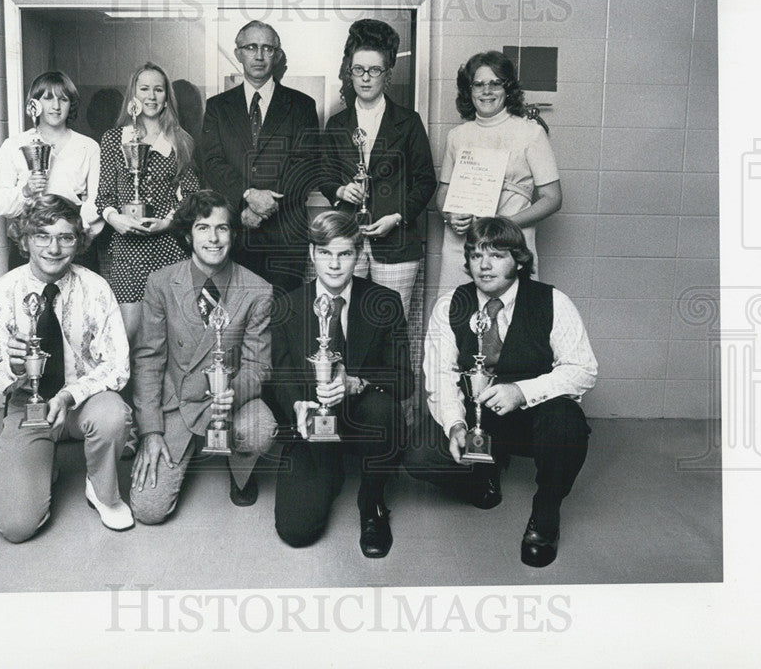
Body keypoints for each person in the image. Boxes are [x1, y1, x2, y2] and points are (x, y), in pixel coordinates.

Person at [407, 216, 596, 567]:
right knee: (418, 455)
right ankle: (483, 473)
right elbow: (439, 373)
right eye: (476, 255)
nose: (484, 265)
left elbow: (583, 370)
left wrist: (521, 392)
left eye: (496, 255)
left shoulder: (552, 302)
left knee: (567, 426)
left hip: (530, 418)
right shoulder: (451, 304)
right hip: (475, 417)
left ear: (519, 260)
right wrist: (455, 425)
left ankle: (546, 511)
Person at [0, 195, 133, 542]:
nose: (54, 248)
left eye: (65, 237)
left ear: (78, 242)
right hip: (29, 406)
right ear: (25, 241)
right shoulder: (0, 293)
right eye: (42, 236)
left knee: (113, 415)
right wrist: (17, 369)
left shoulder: (96, 288)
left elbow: (117, 365)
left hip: (83, 401)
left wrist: (67, 396)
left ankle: (101, 488)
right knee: (16, 527)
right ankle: (44, 460)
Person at [270, 211, 414, 558]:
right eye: (325, 253)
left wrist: (356, 382)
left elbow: (404, 380)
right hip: (311, 424)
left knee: (384, 412)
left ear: (360, 255)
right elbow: (281, 375)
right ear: (311, 254)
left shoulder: (385, 302)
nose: (334, 264)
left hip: (364, 415)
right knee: (296, 531)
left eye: (345, 253)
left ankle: (372, 501)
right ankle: (328, 469)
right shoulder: (287, 305)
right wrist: (296, 405)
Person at [130, 190, 277, 523]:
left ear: (233, 234)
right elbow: (148, 362)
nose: (213, 238)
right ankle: (185, 444)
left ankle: (240, 467)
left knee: (261, 429)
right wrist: (151, 431)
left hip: (229, 402)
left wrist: (232, 393)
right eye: (202, 227)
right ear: (187, 234)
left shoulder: (257, 290)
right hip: (178, 405)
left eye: (222, 228)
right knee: (149, 511)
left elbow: (258, 366)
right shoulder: (161, 283)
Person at [320, 18, 437, 316]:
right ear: (350, 73)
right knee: (346, 321)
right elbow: (324, 174)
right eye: (358, 70)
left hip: (396, 242)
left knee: (391, 325)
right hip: (347, 239)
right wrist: (340, 190)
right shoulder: (337, 124)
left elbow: (425, 182)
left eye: (374, 70)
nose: (366, 78)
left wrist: (397, 217)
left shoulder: (408, 122)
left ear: (388, 75)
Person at [201, 20, 320, 294]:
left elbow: (306, 164)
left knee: (282, 322)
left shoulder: (302, 106)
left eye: (267, 48)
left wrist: (266, 203)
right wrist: (247, 196)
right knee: (233, 321)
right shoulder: (218, 107)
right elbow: (211, 162)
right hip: (233, 231)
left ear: (276, 55)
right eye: (251, 47)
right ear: (238, 53)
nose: (259, 55)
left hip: (286, 237)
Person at [435, 51, 562, 293]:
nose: (486, 91)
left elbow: (553, 198)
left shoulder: (531, 133)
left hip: (510, 241)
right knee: (458, 312)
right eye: (478, 84)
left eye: (495, 83)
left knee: (511, 317)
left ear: (508, 88)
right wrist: (449, 216)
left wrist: (504, 225)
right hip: (463, 243)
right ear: (468, 90)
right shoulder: (457, 136)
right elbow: (443, 194)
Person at [95, 61, 201, 343]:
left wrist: (166, 222)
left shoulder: (181, 141)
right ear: (134, 94)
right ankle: (123, 389)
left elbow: (191, 196)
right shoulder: (114, 139)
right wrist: (116, 219)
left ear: (167, 96)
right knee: (128, 334)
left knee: (169, 335)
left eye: (158, 89)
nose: (151, 96)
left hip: (169, 247)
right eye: (144, 89)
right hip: (128, 250)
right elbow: (103, 196)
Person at [0, 71, 102, 268]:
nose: (56, 106)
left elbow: (97, 199)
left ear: (71, 104)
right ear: (35, 104)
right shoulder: (14, 145)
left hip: (73, 244)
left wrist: (73, 233)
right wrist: (26, 191)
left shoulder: (88, 146)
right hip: (28, 244)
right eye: (48, 98)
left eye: (63, 99)